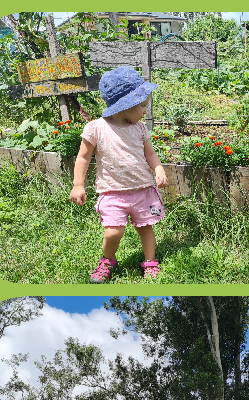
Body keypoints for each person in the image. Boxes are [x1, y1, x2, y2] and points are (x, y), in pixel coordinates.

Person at [69, 66, 168, 283]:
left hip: (142, 189)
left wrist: (158, 168)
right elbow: (83, 158)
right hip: (112, 193)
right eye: (142, 106)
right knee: (113, 232)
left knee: (146, 228)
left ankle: (150, 261)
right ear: (125, 105)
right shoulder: (96, 128)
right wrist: (78, 184)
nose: (145, 111)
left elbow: (150, 153)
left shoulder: (140, 129)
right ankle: (108, 259)